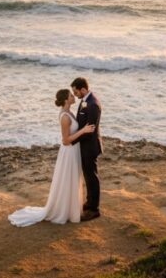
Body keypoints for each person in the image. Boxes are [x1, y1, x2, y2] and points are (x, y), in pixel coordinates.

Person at [7, 89, 95, 227]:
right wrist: (83, 131)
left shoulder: (69, 112)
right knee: (67, 180)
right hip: (69, 152)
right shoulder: (65, 117)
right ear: (66, 100)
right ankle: (63, 211)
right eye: (71, 95)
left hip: (74, 151)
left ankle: (71, 209)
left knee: (72, 180)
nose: (73, 96)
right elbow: (65, 140)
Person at [71, 77, 102, 222]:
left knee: (92, 178)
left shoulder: (93, 104)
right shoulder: (85, 101)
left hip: (90, 147)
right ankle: (89, 203)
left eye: (75, 92)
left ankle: (94, 209)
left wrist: (71, 140)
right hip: (84, 147)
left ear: (82, 89)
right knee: (88, 177)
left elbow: (89, 130)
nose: (75, 95)